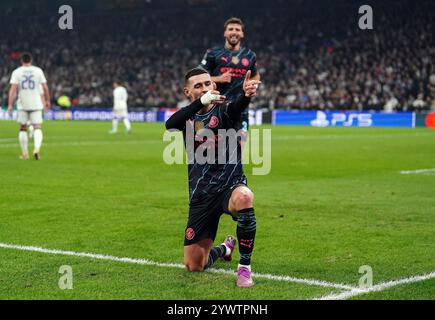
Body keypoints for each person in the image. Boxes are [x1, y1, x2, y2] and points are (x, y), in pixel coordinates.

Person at [165, 67, 261, 288]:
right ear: (187, 92)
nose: (204, 88)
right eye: (198, 86)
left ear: (214, 86)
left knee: (245, 197)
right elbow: (169, 125)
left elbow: (237, 107)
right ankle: (225, 248)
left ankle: (244, 268)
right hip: (202, 195)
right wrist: (199, 103)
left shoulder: (224, 109)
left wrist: (245, 95)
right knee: (194, 265)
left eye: (207, 84)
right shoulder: (186, 118)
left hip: (229, 187)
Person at [200, 17, 260, 142]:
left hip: (240, 109)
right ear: (225, 33)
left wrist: (253, 85)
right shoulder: (213, 53)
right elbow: (198, 77)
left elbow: (255, 75)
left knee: (238, 153)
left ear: (242, 34)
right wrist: (218, 79)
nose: (234, 32)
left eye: (237, 29)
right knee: (212, 153)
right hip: (217, 109)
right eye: (230, 29)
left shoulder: (250, 55)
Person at [7, 53, 50, 160]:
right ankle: (36, 149)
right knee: (37, 127)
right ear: (31, 60)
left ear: (21, 61)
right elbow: (45, 88)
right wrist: (47, 101)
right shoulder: (38, 71)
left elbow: (13, 90)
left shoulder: (17, 72)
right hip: (36, 103)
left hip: (23, 103)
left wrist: (10, 105)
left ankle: (25, 154)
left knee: (23, 128)